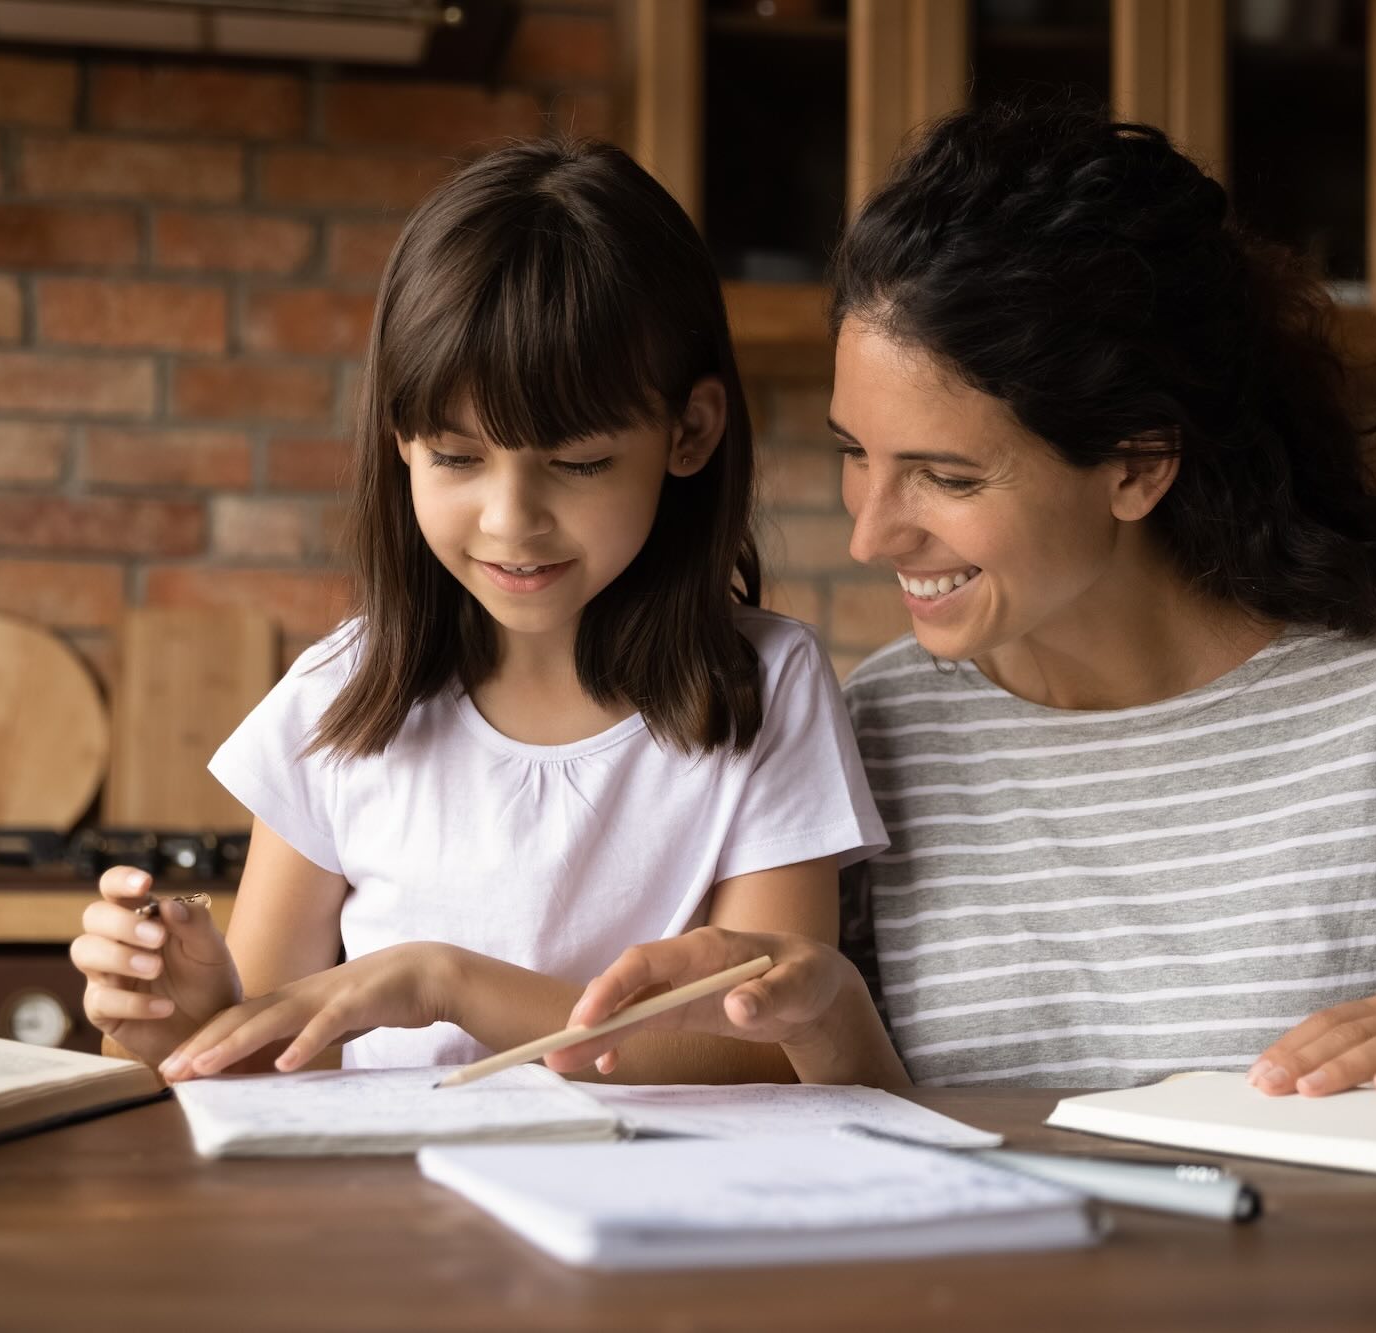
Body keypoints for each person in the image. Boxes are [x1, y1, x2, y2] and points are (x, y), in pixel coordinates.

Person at [547, 101, 1376, 1105]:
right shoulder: (886, 729)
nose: (872, 531)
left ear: (1135, 464)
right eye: (857, 452)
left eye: (948, 477)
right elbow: (868, 1125)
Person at [67, 139, 883, 1084]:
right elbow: (251, 1065)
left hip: (657, 1217)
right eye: (456, 458)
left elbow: (772, 1043)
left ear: (688, 433)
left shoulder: (764, 688)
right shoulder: (339, 700)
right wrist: (182, 1018)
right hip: (389, 1222)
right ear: (401, 442)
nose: (510, 522)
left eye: (577, 463)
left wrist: (448, 981)